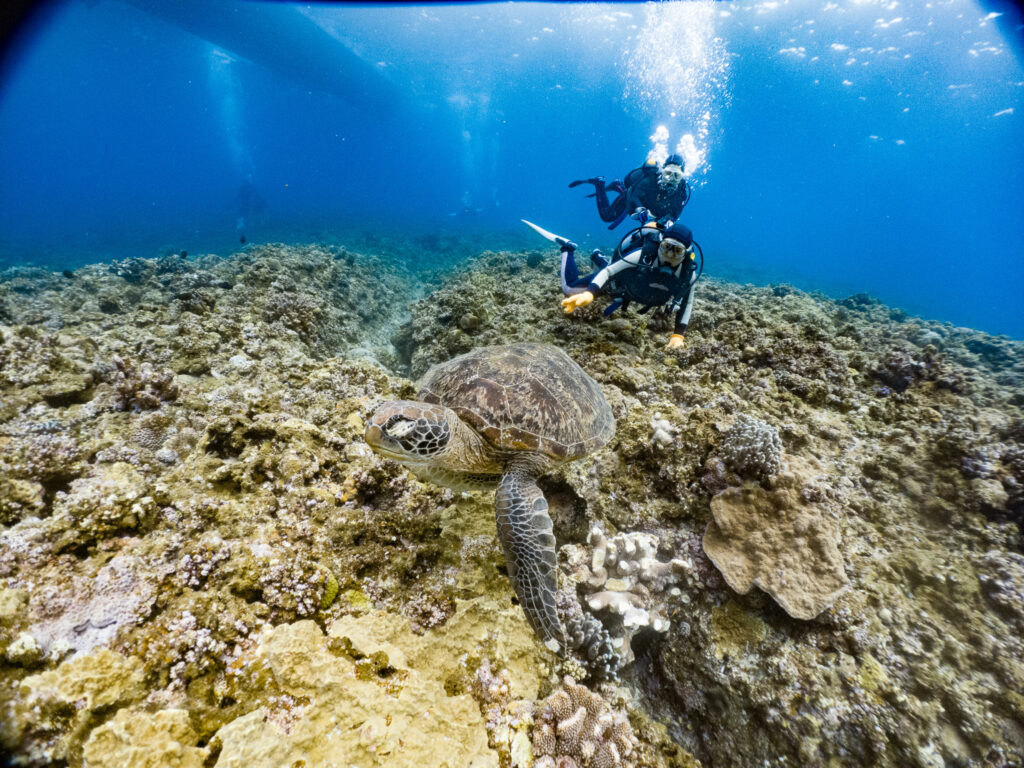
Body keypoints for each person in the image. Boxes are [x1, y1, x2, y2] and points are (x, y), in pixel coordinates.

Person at [559, 220, 701, 350]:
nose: (670, 254)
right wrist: (590, 292)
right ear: (660, 243)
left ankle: (598, 257)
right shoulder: (642, 255)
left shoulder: (687, 274)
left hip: (635, 289)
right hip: (619, 286)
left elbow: (687, 304)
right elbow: (609, 272)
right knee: (569, 289)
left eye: (677, 251)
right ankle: (568, 248)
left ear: (686, 253)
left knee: (614, 266)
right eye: (666, 247)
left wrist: (678, 335)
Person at [569, 154, 690, 230]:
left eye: (677, 175)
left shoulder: (682, 190)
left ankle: (618, 185)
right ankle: (599, 184)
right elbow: (634, 197)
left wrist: (670, 221)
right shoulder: (651, 178)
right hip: (631, 198)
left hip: (650, 205)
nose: (671, 179)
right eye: (668, 173)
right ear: (663, 171)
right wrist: (639, 208)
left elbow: (677, 210)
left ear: (682, 177)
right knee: (607, 216)